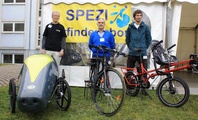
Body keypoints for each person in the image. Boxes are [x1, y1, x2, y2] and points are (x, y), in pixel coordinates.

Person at [126, 9, 152, 78]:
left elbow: (149, 39)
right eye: (137, 15)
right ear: (134, 17)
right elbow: (127, 39)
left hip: (142, 53)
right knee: (129, 70)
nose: (139, 17)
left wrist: (144, 47)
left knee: (143, 71)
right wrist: (131, 47)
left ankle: (143, 86)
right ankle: (129, 87)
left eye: (140, 15)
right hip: (132, 52)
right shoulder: (130, 28)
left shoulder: (145, 27)